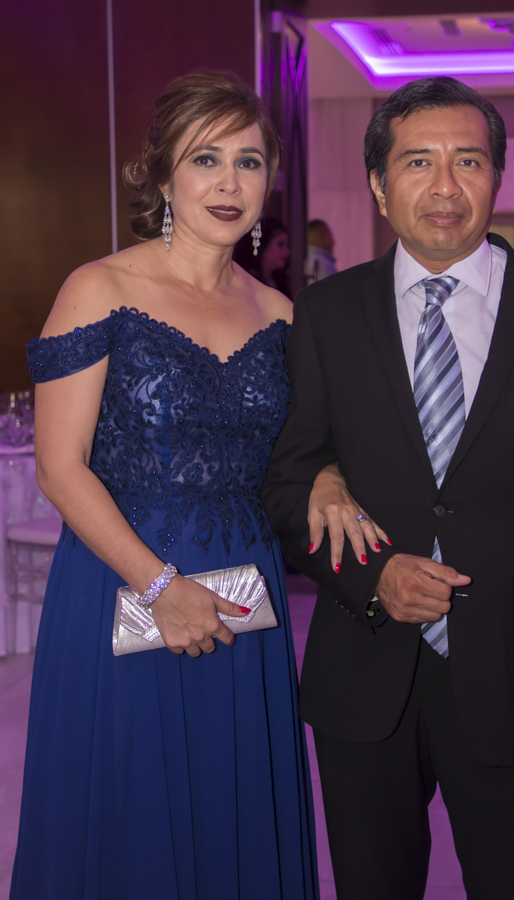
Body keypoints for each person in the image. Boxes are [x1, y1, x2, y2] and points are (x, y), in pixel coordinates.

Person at [263, 76, 514, 900]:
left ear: (496, 177)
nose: (444, 186)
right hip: (364, 679)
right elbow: (289, 481)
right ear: (379, 184)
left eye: (467, 161)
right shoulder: (325, 315)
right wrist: (373, 576)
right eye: (418, 162)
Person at [10, 70, 380, 900]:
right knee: (129, 808)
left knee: (229, 805)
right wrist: (160, 586)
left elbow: (303, 448)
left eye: (249, 162)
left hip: (246, 592)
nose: (228, 182)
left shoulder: (282, 316)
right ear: (163, 174)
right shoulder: (99, 288)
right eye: (205, 159)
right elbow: (60, 467)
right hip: (123, 580)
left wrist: (326, 475)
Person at [234, 215, 291, 295]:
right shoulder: (248, 282)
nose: (287, 252)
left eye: (287, 245)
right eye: (280, 244)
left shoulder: (278, 281)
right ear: (263, 245)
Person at [305, 219, 338, 284]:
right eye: (330, 236)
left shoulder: (301, 260)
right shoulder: (324, 265)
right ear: (322, 235)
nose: (333, 242)